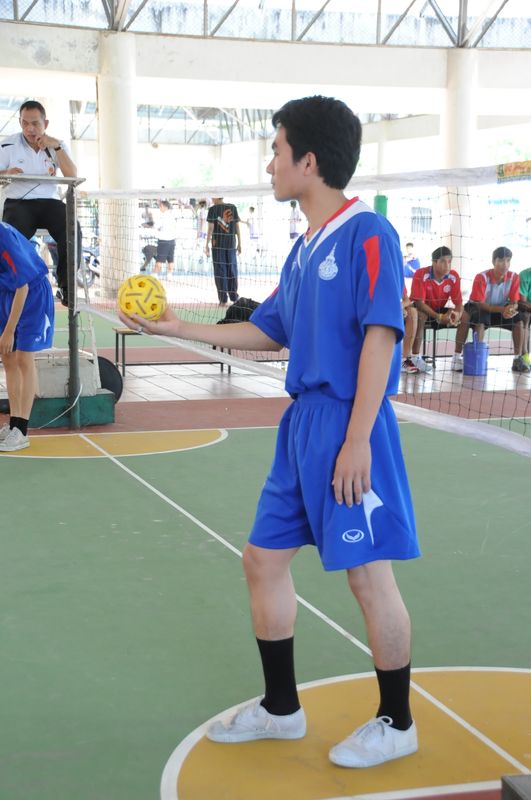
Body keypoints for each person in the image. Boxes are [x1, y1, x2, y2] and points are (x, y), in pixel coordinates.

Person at [120, 95, 419, 769]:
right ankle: (281, 708)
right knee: (262, 559)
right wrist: (176, 328)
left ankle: (397, 721)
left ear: (308, 161)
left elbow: (381, 336)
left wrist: (357, 440)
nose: (269, 164)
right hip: (300, 426)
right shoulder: (303, 248)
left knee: (368, 577)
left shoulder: (367, 233)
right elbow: (266, 331)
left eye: (276, 151)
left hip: (350, 422)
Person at [0, 100, 78, 306]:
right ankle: (8, 288)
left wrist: (57, 146)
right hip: (18, 202)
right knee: (8, 238)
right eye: (24, 123)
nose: (29, 128)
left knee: (72, 228)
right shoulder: (7, 145)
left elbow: (72, 175)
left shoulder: (57, 145)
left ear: (46, 123)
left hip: (50, 202)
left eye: (35, 123)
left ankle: (67, 287)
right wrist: (6, 173)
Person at [0, 221, 55, 452]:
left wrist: (8, 330)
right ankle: (14, 423)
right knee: (7, 358)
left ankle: (22, 430)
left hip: (31, 294)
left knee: (23, 358)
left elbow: (22, 287)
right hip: (7, 293)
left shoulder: (3, 238)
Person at [453, 246, 530, 373]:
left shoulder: (514, 277)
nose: (505, 264)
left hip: (500, 309)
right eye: (501, 260)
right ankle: (472, 357)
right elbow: (480, 304)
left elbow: (515, 302)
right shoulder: (482, 277)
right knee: (480, 321)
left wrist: (511, 309)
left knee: (519, 320)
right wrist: (502, 310)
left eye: (508, 260)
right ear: (493, 261)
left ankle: (517, 359)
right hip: (478, 308)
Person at [408, 246, 463, 373]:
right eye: (443, 261)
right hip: (421, 308)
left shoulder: (453, 276)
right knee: (421, 316)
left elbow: (459, 303)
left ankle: (456, 358)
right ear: (434, 262)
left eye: (449, 261)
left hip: (438, 308)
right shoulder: (421, 274)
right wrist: (438, 317)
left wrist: (457, 314)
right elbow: (419, 303)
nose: (447, 265)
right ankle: (415, 358)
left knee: (465, 315)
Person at [206, 197, 241, 305]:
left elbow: (210, 228)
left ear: (217, 196)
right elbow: (237, 227)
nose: (212, 198)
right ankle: (234, 297)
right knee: (232, 270)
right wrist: (240, 243)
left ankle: (223, 299)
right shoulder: (232, 207)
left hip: (219, 246)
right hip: (229, 245)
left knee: (220, 272)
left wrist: (206, 244)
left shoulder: (213, 209)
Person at [153, 200, 177, 275]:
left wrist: (158, 228)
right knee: (170, 260)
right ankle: (170, 276)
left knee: (159, 260)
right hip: (172, 241)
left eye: (161, 206)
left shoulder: (162, 216)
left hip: (164, 241)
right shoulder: (172, 215)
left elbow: (156, 226)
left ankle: (154, 275)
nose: (159, 208)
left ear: (165, 207)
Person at [401, 290, 419, 373]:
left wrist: (400, 307)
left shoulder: (399, 281)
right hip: (378, 309)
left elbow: (407, 300)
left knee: (412, 312)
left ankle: (405, 360)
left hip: (395, 309)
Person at [517, 266, 531, 366]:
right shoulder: (524, 275)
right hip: (526, 308)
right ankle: (524, 355)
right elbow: (523, 301)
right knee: (526, 316)